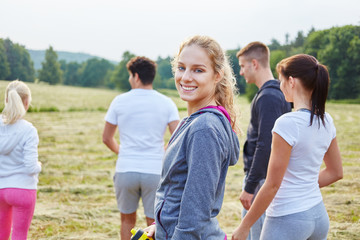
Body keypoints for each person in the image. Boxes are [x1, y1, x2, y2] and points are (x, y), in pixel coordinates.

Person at [232, 54, 343, 240]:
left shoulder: (287, 123)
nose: (279, 85)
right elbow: (335, 172)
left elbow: (272, 185)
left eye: (281, 80)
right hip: (318, 216)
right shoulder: (326, 120)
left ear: (291, 81)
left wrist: (244, 227)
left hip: (288, 219)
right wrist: (303, 186)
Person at [144, 35, 240, 240]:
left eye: (198, 70)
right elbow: (177, 191)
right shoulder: (192, 121)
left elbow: (195, 214)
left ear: (217, 76)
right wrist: (160, 226)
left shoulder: (204, 128)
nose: (186, 77)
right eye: (181, 68)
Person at [102, 56, 180, 240]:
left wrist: (124, 152)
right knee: (154, 225)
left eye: (130, 76)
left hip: (125, 170)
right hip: (155, 171)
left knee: (126, 221)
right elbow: (177, 137)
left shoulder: (119, 101)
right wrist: (163, 152)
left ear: (136, 76)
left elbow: (106, 138)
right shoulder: (166, 102)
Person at [236, 41, 291, 239]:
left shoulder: (268, 97)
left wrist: (250, 187)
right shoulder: (277, 93)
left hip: (261, 181)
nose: (241, 72)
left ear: (255, 64)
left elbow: (266, 145)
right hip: (264, 179)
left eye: (243, 66)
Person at [0, 80, 41, 240]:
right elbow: (31, 167)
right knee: (19, 235)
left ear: (7, 100)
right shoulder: (29, 130)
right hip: (23, 189)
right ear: (26, 103)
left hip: (0, 189)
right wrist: (39, 166)